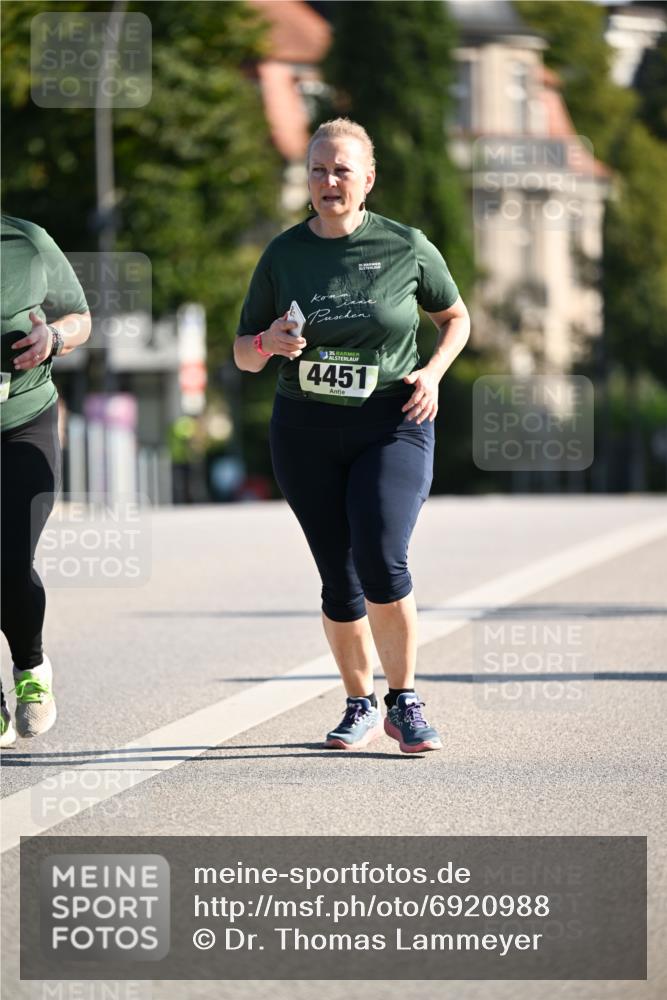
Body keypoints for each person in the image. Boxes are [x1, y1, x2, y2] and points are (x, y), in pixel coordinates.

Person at [233, 119, 470, 753]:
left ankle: (406, 700)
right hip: (304, 429)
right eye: (318, 170)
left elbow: (455, 316)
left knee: (382, 556)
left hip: (393, 422)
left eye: (341, 170)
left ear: (367, 179)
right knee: (337, 577)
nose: (328, 181)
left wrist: (435, 372)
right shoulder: (284, 255)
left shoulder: (406, 245)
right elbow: (242, 355)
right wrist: (267, 342)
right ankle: (359, 702)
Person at [0, 214, 91, 747]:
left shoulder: (26, 241)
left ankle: (31, 668)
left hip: (23, 423)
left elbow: (81, 318)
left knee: (10, 560)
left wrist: (53, 336)